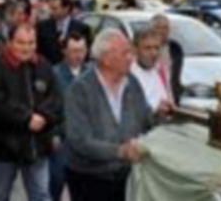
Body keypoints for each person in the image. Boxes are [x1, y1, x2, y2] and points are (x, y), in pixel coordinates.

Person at [64, 28, 154, 201]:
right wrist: (118, 151)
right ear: (105, 59)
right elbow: (80, 141)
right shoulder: (80, 90)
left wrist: (160, 116)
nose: (131, 58)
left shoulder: (132, 83)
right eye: (125, 53)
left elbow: (145, 119)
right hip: (89, 179)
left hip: (126, 177)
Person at [0, 23, 62, 201]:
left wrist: (43, 116)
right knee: (0, 194)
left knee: (41, 194)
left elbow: (56, 99)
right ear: (10, 42)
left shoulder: (44, 66)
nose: (26, 48)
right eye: (21, 43)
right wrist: (26, 118)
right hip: (5, 147)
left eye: (31, 43)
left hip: (38, 146)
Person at [49, 31, 93, 201]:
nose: (78, 56)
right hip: (63, 138)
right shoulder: (54, 74)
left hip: (88, 140)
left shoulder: (93, 73)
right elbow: (48, 108)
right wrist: (52, 134)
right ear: (64, 51)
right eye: (74, 51)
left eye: (82, 50)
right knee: (56, 181)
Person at [37, 0, 91, 65]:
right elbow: (38, 51)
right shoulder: (42, 26)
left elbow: (86, 54)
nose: (51, 12)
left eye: (54, 8)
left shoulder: (81, 28)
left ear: (66, 8)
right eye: (50, 8)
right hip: (49, 71)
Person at [130, 28, 175, 114]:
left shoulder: (161, 71)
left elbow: (170, 100)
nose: (153, 53)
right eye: (148, 48)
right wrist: (154, 111)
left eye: (156, 48)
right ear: (135, 50)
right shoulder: (127, 74)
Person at [149, 14, 184, 105]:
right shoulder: (146, 50)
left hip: (171, 97)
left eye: (166, 28)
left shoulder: (175, 48)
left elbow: (176, 76)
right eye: (159, 27)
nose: (163, 31)